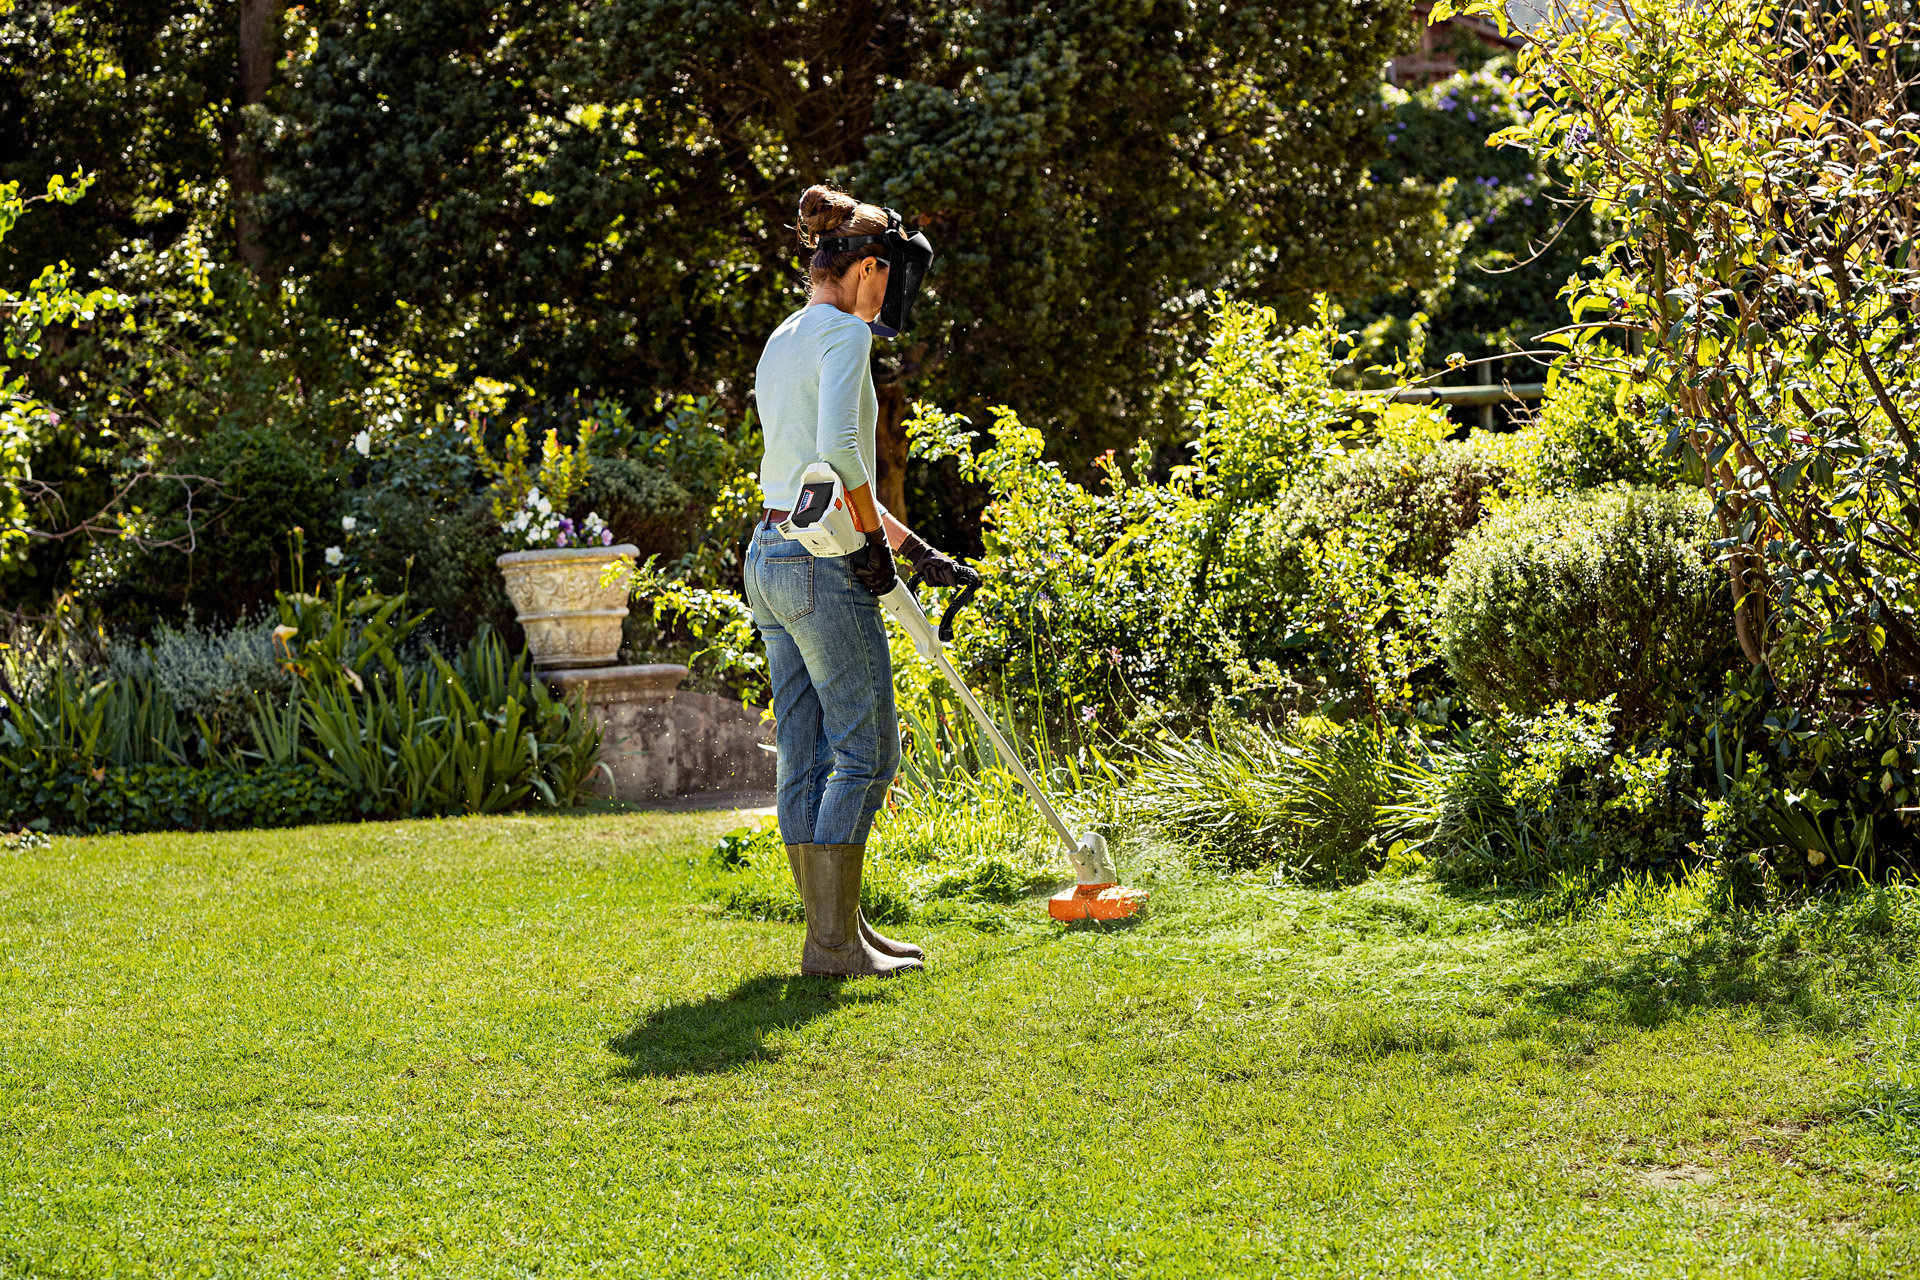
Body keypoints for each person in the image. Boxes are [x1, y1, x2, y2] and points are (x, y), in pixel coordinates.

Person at [745, 184, 977, 978]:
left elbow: (815, 476)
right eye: (891, 281)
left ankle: (837, 930)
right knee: (866, 756)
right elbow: (845, 452)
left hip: (769, 555)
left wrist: (912, 553)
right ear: (871, 269)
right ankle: (833, 945)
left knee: (803, 755)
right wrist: (869, 547)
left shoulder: (785, 335)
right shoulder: (845, 333)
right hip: (822, 563)